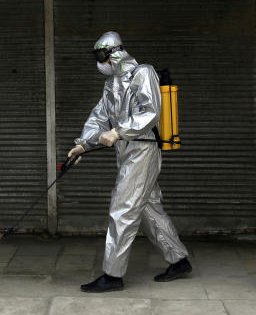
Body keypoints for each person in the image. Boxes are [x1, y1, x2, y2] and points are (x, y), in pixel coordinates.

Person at [68, 31, 192, 293]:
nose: (99, 62)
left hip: (142, 150)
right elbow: (99, 116)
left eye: (101, 56)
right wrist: (82, 144)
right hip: (126, 151)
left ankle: (113, 275)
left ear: (114, 53)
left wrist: (118, 132)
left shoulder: (143, 73)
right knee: (148, 209)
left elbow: (151, 111)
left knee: (122, 209)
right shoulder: (112, 84)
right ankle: (179, 260)